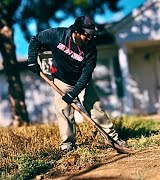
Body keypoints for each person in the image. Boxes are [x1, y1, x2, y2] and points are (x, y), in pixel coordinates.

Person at [27, 15, 127, 152]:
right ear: (76, 31)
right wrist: (32, 60)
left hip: (82, 81)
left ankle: (112, 138)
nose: (90, 38)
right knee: (63, 110)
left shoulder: (91, 49)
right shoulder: (57, 35)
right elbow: (36, 40)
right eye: (87, 35)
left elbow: (87, 75)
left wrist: (73, 94)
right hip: (61, 80)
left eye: (92, 35)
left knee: (95, 108)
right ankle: (68, 144)